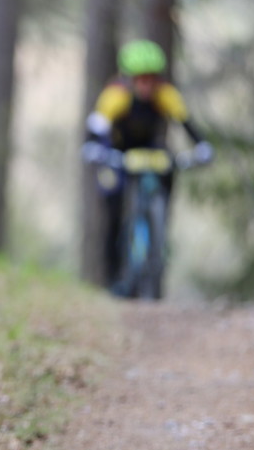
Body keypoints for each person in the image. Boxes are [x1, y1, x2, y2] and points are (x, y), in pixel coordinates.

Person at [82, 39, 213, 291]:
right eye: (141, 79)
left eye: (151, 79)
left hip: (151, 152)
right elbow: (97, 127)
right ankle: (112, 277)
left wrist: (202, 146)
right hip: (119, 151)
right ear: (129, 79)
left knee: (166, 180)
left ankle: (157, 260)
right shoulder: (115, 96)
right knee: (113, 207)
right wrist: (93, 147)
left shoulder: (166, 95)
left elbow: (186, 122)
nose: (147, 85)